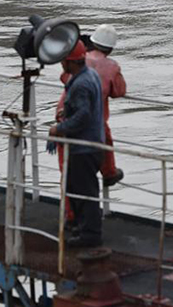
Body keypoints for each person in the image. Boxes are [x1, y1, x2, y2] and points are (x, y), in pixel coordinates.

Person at [49, 41, 105, 248]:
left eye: (63, 60)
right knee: (79, 188)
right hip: (93, 143)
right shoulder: (90, 75)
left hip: (83, 147)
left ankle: (90, 234)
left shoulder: (81, 83)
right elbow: (84, 108)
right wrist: (68, 111)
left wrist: (59, 129)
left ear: (70, 62)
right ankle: (84, 228)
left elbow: (83, 116)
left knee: (84, 192)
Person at [86, 24, 126, 187]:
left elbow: (64, 78)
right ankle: (108, 172)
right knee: (106, 141)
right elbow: (119, 91)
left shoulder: (80, 58)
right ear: (110, 49)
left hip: (69, 115)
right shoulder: (112, 66)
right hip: (96, 120)